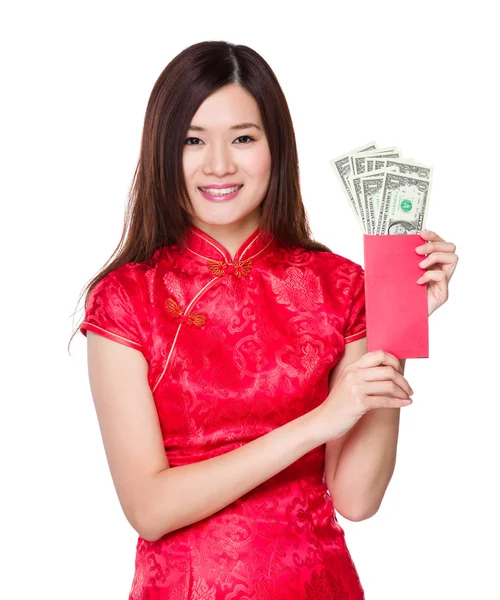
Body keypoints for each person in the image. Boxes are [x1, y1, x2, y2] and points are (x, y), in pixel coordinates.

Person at [70, 41, 458, 600]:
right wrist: (319, 422)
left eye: (243, 138)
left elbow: (356, 499)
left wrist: (395, 328)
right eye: (193, 140)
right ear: (162, 152)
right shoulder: (126, 298)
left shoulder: (340, 286)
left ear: (276, 147)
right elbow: (149, 509)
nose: (219, 165)